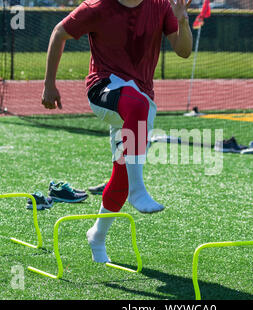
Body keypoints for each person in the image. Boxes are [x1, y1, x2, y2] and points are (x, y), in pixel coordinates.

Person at [41, 0, 193, 263]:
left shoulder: (161, 6)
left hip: (140, 105)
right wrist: (49, 84)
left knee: (120, 177)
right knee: (138, 105)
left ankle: (97, 236)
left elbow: (184, 51)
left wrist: (182, 21)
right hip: (103, 88)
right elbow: (59, 32)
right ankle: (138, 189)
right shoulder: (96, 6)